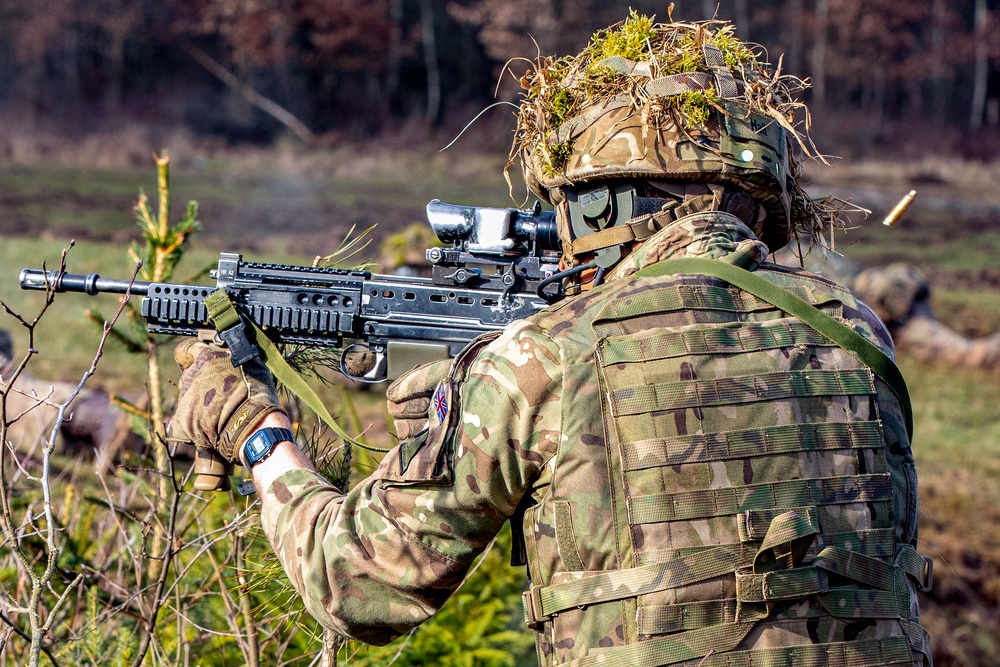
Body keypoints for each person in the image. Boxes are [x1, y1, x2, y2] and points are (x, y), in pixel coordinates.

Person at [168, 15, 933, 667]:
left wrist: (254, 432)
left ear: (604, 204)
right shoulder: (854, 332)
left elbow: (357, 582)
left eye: (568, 209)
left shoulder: (546, 358)